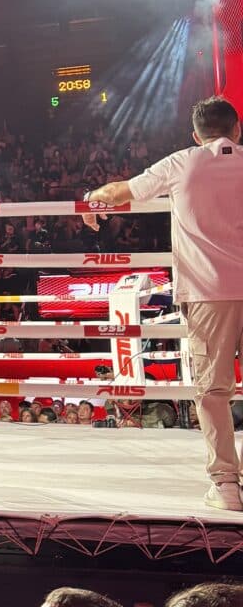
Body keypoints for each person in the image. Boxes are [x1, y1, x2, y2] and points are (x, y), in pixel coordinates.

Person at [81, 97, 243, 512]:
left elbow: (120, 191)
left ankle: (226, 484)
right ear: (236, 130)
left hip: (209, 292)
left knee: (213, 391)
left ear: (196, 136)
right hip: (214, 290)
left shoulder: (182, 162)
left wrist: (91, 198)